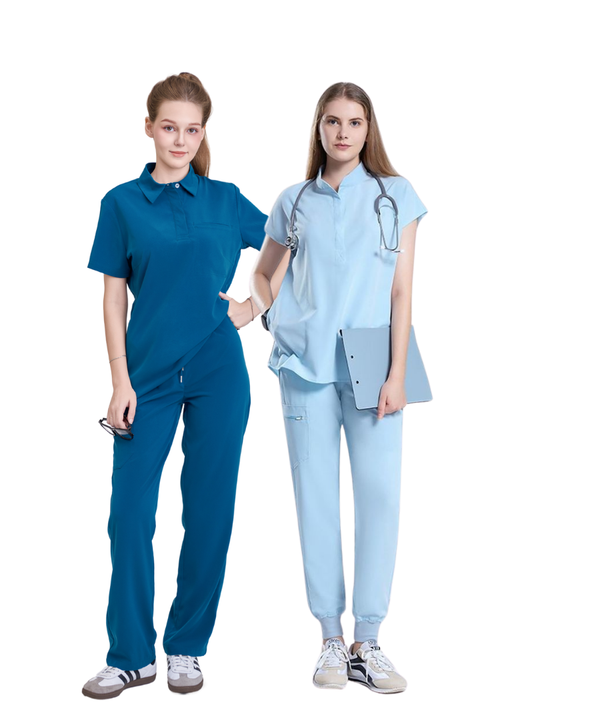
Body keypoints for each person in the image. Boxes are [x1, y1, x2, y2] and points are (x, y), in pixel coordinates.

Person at [82, 72, 286, 697]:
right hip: (146, 375)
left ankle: (186, 648)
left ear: (203, 134)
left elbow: (287, 244)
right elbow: (113, 297)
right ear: (148, 127)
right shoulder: (121, 203)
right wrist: (119, 380)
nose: (179, 140)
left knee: (209, 512)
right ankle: (130, 654)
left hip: (218, 370)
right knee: (128, 516)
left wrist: (253, 307)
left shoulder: (224, 199)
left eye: (192, 130)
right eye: (168, 127)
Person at [250, 82, 427, 693]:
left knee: (380, 497)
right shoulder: (294, 200)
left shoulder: (395, 195)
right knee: (316, 499)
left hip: (375, 363)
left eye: (354, 121)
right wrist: (276, 319)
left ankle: (367, 640)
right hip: (305, 365)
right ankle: (330, 637)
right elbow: (264, 275)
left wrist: (397, 373)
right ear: (319, 128)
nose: (343, 132)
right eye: (332, 121)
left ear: (368, 128)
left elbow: (402, 289)